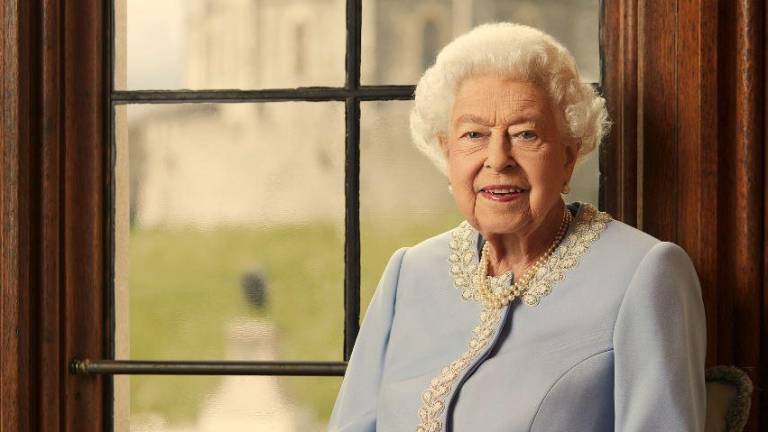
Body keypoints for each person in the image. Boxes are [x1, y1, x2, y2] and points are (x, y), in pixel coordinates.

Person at [328, 22, 706, 432]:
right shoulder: (409, 274)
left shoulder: (645, 273)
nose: (498, 158)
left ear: (567, 156)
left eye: (525, 134)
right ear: (447, 154)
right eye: (474, 134)